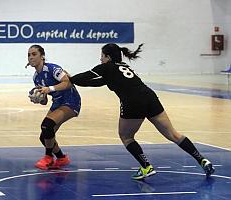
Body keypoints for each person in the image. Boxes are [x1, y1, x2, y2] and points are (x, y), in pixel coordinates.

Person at [68, 43, 215, 180]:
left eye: (102, 56)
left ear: (108, 57)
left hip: (133, 102)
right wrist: (76, 81)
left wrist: (70, 79)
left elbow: (85, 77)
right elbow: (97, 82)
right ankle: (202, 160)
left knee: (126, 137)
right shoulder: (124, 67)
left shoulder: (106, 67)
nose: (100, 59)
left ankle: (146, 167)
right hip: (150, 97)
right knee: (173, 134)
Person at [27, 44, 81, 170]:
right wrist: (39, 99)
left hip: (70, 100)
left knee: (47, 125)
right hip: (57, 102)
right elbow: (45, 101)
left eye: (34, 54)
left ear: (42, 57)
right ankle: (61, 158)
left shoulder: (53, 68)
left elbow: (68, 82)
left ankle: (48, 158)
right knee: (44, 136)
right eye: (29, 55)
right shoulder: (36, 77)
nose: (31, 57)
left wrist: (50, 88)